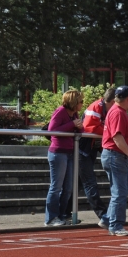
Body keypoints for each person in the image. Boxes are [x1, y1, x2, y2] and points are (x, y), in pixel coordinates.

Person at [101, 85, 128, 237]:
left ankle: (107, 219)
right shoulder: (118, 113)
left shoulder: (116, 111)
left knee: (118, 191)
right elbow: (117, 138)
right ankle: (115, 225)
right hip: (115, 155)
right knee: (120, 192)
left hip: (114, 155)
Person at [44, 90, 84, 226]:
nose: (82, 104)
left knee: (68, 188)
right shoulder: (60, 111)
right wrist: (73, 125)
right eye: (80, 102)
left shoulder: (75, 114)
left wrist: (79, 127)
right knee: (56, 187)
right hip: (58, 152)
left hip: (70, 152)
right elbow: (52, 130)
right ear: (73, 102)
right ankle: (50, 218)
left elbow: (80, 131)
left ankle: (61, 216)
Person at [78, 88, 115, 229]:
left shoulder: (106, 109)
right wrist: (109, 131)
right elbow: (89, 127)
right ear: (112, 101)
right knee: (89, 183)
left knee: (79, 183)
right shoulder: (96, 107)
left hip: (91, 149)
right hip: (83, 149)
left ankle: (63, 212)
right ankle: (103, 215)